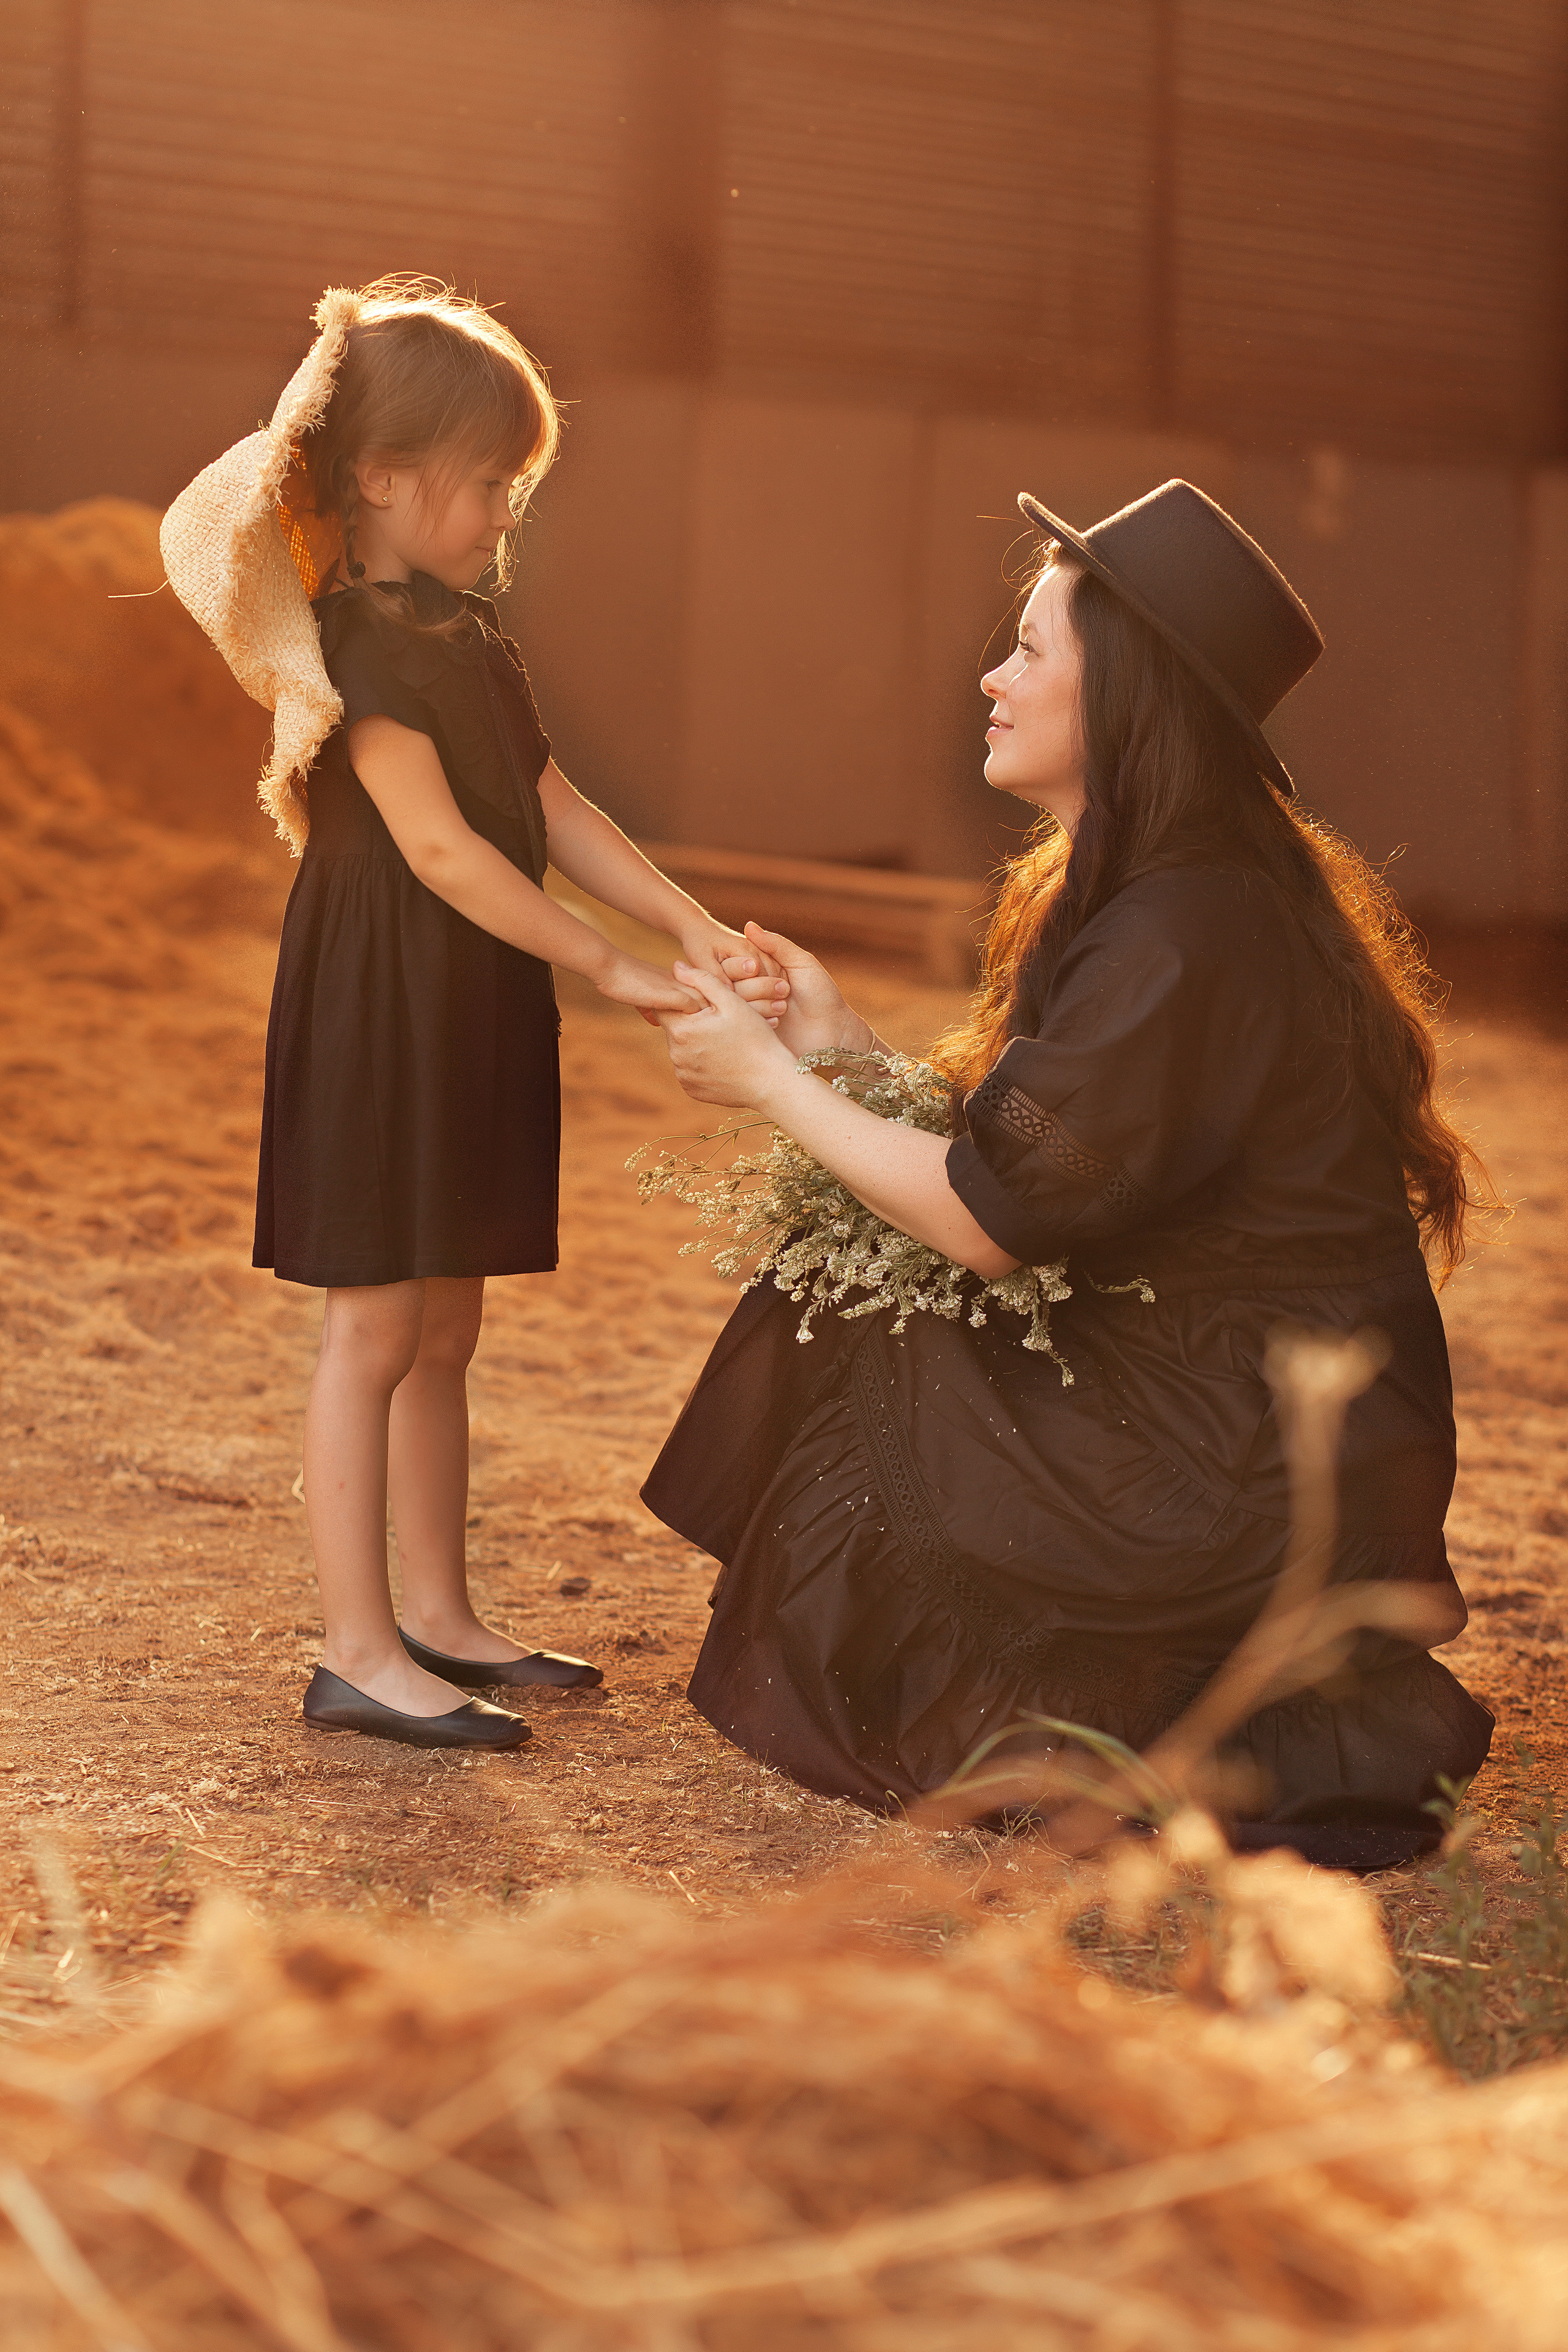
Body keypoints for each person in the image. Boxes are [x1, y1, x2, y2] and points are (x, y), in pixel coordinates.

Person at [643, 479, 1494, 1869]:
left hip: (1252, 1452)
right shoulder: (1171, 886)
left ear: (1132, 693)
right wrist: (837, 1045)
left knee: (874, 1309)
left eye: (1030, 647)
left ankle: (1076, 1701)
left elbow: (987, 1225)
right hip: (1242, 1401)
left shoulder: (1184, 926)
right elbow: (1048, 1165)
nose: (990, 675)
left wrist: (773, 1087)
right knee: (860, 1257)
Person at [161, 278, 787, 1752]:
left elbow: (551, 805)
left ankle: (438, 1615)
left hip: (470, 994)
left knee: (446, 1324)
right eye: (492, 482)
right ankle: (357, 1648)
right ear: (382, 478)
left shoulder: (467, 634)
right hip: (388, 996)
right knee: (373, 1326)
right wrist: (611, 969)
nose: (509, 511)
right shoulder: (357, 647)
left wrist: (688, 926)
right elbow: (438, 847)